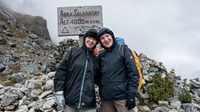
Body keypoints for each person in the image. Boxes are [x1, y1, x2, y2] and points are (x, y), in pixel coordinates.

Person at [54, 29, 99, 112]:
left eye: (94, 39)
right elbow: (61, 72)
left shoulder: (96, 59)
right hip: (70, 101)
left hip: (88, 104)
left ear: (96, 42)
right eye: (89, 37)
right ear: (85, 38)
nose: (91, 41)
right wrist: (59, 92)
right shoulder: (73, 52)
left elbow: (100, 79)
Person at [97, 28, 139, 112]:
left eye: (107, 36)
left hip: (122, 99)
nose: (106, 39)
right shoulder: (101, 56)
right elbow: (98, 76)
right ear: (100, 42)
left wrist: (131, 95)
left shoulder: (123, 50)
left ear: (112, 36)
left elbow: (133, 74)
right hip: (106, 100)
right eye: (102, 38)